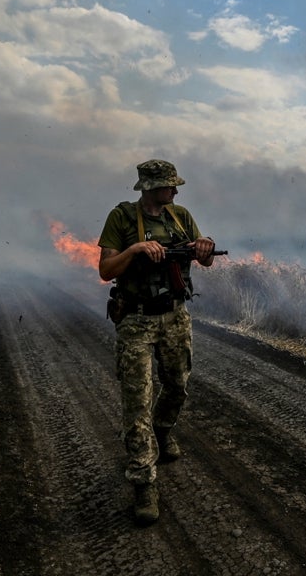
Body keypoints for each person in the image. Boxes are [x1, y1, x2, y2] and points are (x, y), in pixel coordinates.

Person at [97, 159, 218, 525]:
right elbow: (105, 270)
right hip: (135, 318)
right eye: (170, 186)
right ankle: (144, 484)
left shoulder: (179, 216)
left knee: (178, 386)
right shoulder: (121, 218)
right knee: (137, 404)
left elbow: (207, 260)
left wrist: (204, 248)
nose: (176, 192)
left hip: (175, 315)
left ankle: (163, 430)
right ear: (150, 187)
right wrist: (135, 250)